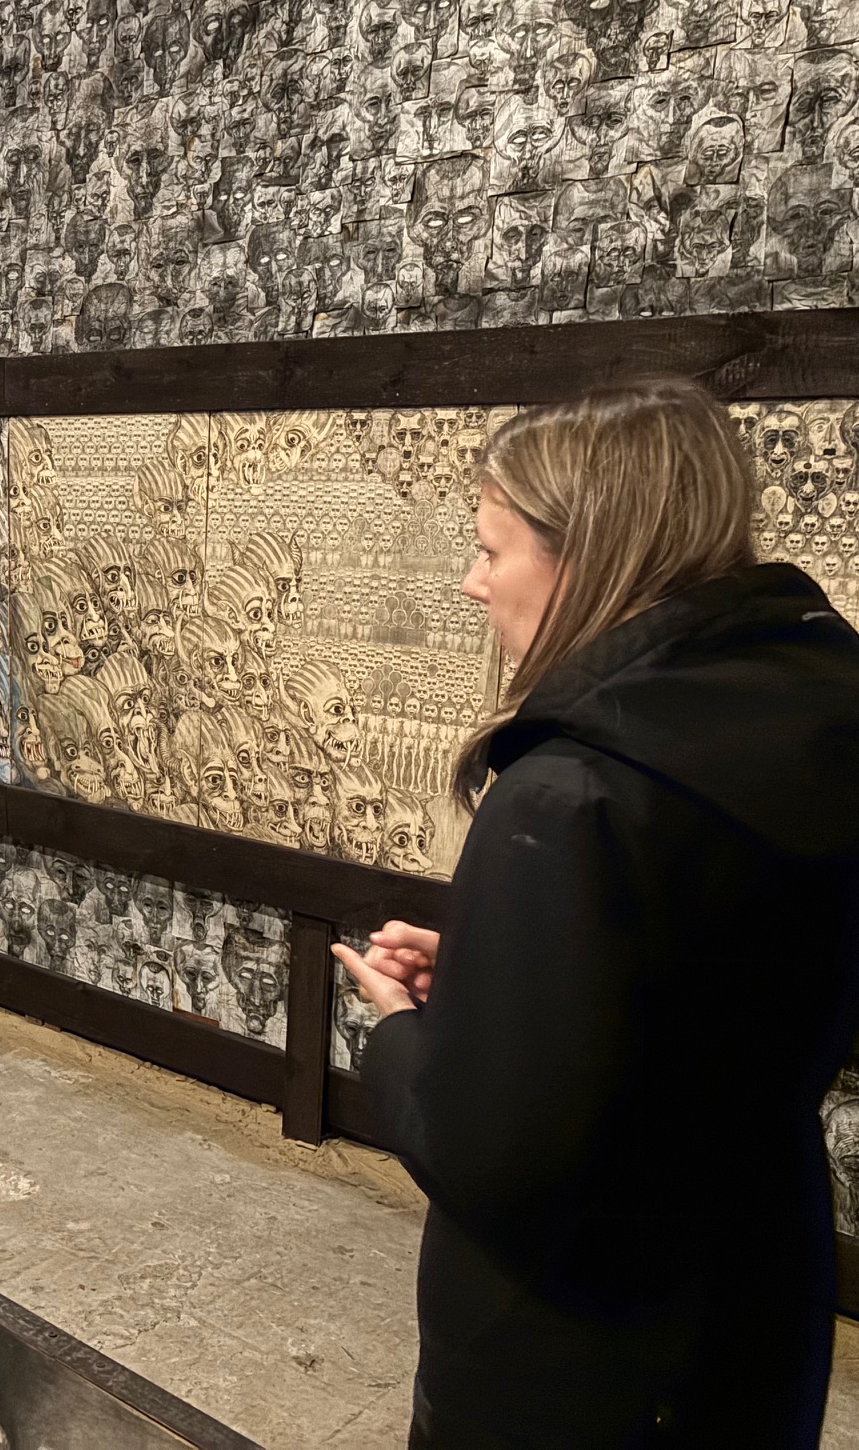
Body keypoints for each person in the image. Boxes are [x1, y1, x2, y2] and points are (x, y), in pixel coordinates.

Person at [334, 377, 859, 1446]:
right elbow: (713, 976)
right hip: (760, 1287)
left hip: (577, 1342)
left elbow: (491, 1154)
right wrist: (509, 966)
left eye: (491, 550)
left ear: (582, 554)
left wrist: (400, 1031)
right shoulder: (823, 712)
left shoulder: (570, 792)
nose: (471, 583)